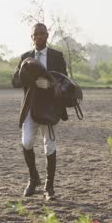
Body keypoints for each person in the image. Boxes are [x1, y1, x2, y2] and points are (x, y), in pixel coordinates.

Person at [12, 23, 68, 201]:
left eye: (42, 33)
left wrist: (51, 84)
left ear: (47, 35)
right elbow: (15, 81)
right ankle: (33, 177)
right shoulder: (25, 57)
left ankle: (49, 187)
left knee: (49, 145)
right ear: (31, 37)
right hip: (30, 106)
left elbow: (64, 82)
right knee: (27, 142)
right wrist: (29, 81)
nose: (39, 37)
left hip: (50, 108)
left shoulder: (57, 57)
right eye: (35, 34)